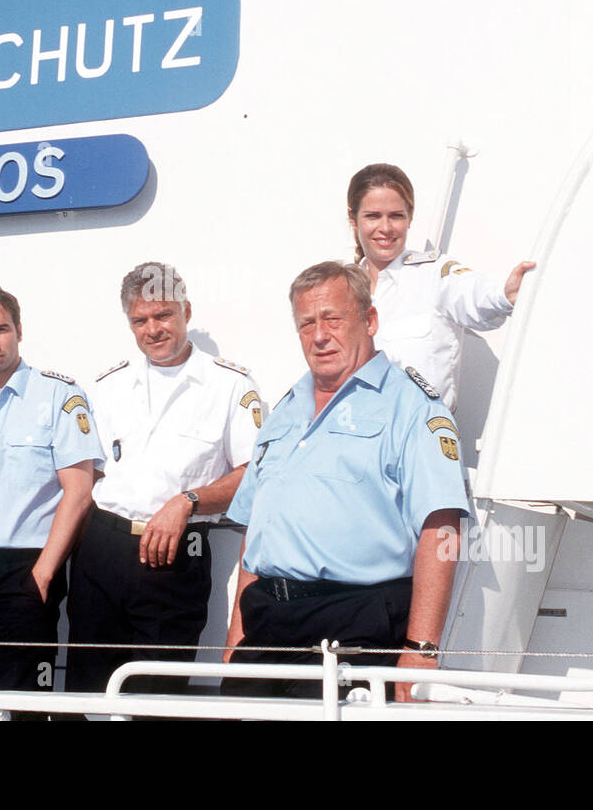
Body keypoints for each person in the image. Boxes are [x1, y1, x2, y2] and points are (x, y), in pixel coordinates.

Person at [222, 261, 469, 700]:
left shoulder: (411, 407)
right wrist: (235, 640)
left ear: (369, 320)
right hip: (266, 627)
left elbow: (443, 527)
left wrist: (421, 650)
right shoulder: (285, 410)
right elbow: (257, 531)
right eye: (306, 324)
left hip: (355, 626)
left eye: (332, 319)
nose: (319, 336)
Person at [66, 262, 263, 695]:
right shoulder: (108, 386)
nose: (153, 329)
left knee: (156, 696)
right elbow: (87, 477)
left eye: (163, 315)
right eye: (140, 320)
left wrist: (187, 501)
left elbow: (252, 475)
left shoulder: (229, 385)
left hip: (175, 557)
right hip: (102, 553)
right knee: (86, 692)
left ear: (185, 311)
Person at [0, 279, 102, 712]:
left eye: (1, 329)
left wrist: (43, 575)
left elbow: (79, 493)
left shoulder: (59, 397)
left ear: (19, 331)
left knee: (24, 700)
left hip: (25, 571)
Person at [347, 163, 535, 411]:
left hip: (422, 440)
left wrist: (504, 294)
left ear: (410, 217)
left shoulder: (434, 275)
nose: (386, 228)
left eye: (396, 215)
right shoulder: (342, 290)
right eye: (373, 216)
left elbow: (473, 293)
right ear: (353, 219)